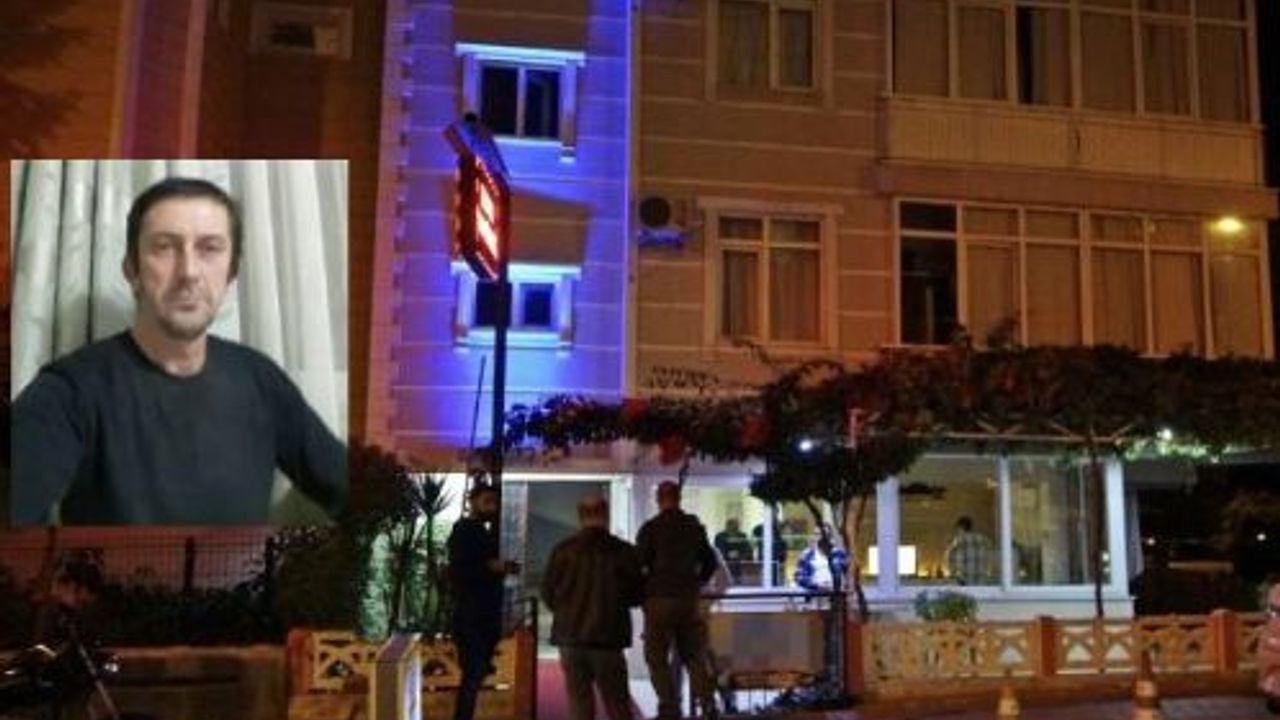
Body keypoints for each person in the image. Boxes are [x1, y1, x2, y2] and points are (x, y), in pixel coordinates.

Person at [11, 177, 348, 525]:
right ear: (132, 270)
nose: (188, 272)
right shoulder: (68, 392)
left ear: (231, 272)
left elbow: (360, 493)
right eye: (164, 247)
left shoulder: (260, 380)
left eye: (209, 248)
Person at [540, 494, 642, 720]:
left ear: (579, 516)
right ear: (606, 514)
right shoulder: (624, 551)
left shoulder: (562, 550)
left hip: (570, 639)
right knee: (617, 705)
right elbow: (637, 595)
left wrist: (566, 612)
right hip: (609, 639)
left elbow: (547, 591)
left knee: (579, 704)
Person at [636, 481, 719, 720]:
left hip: (658, 600)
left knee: (656, 657)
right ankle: (708, 704)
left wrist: (643, 592)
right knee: (693, 655)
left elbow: (639, 563)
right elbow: (710, 562)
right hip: (687, 600)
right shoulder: (694, 527)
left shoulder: (650, 528)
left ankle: (669, 707)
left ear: (658, 500)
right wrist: (697, 583)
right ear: (679, 498)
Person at [447, 483, 519, 720]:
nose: (492, 507)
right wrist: (491, 568)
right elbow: (459, 571)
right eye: (487, 501)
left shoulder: (481, 530)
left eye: (495, 503)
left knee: (475, 674)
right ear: (473, 502)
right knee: (473, 674)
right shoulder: (464, 530)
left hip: (484, 613)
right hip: (471, 615)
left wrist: (499, 568)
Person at [793, 525, 849, 592]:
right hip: (813, 593)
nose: (821, 538)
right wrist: (817, 585)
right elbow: (799, 577)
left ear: (830, 537)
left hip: (835, 593)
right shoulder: (807, 555)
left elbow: (849, 575)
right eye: (817, 534)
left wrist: (841, 586)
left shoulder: (839, 554)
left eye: (825, 535)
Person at [944, 516, 994, 585]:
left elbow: (949, 558)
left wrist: (953, 574)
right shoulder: (984, 540)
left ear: (961, 528)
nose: (957, 533)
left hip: (966, 582)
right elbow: (990, 557)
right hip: (981, 582)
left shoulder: (958, 541)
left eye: (958, 530)